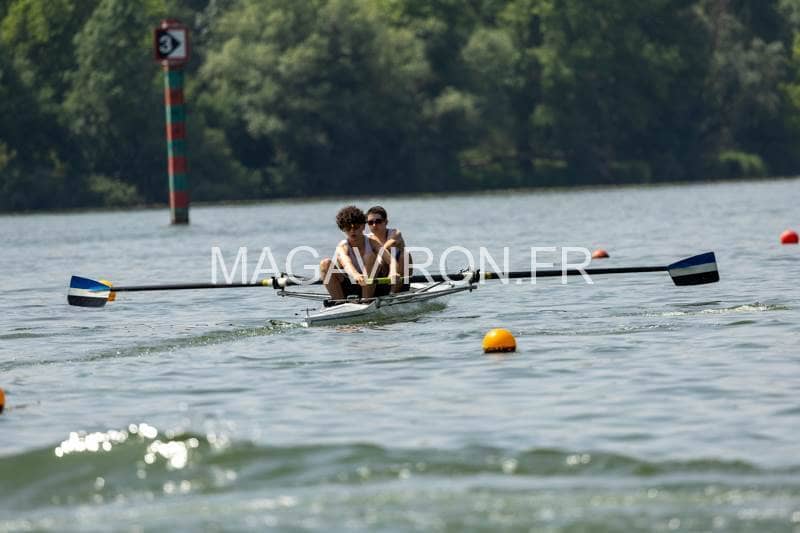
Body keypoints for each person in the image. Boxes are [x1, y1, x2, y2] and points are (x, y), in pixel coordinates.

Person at [320, 205, 381, 301]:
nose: (352, 231)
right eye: (348, 228)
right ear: (343, 229)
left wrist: (393, 272)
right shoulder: (342, 246)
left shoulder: (372, 241)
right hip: (353, 285)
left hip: (376, 286)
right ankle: (339, 302)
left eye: (356, 227)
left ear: (363, 226)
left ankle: (366, 301)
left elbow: (390, 260)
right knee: (325, 263)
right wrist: (356, 275)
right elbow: (346, 262)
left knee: (369, 257)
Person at [366, 206, 411, 294]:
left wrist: (379, 255)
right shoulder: (367, 238)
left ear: (386, 222)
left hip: (399, 275)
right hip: (380, 275)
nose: (374, 225)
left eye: (378, 221)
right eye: (370, 222)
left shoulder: (395, 233)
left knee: (405, 255)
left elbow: (388, 245)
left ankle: (393, 292)